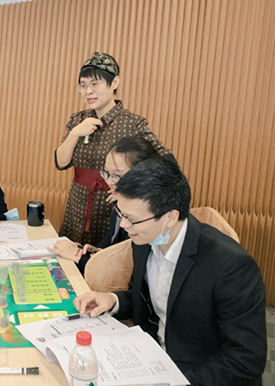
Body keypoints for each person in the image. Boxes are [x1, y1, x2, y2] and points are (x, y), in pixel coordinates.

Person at [74, 158, 266, 385]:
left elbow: (246, 359)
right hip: (152, 359)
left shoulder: (231, 266)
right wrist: (113, 300)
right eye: (121, 214)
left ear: (170, 217)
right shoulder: (145, 239)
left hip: (198, 374)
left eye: (132, 219)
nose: (124, 225)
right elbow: (149, 298)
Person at [55, 52, 170, 247]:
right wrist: (75, 133)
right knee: (71, 256)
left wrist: (127, 190)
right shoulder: (77, 120)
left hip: (114, 208)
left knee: (105, 258)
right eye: (83, 85)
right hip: (77, 203)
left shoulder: (133, 123)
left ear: (115, 82)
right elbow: (60, 162)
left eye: (94, 84)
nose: (88, 91)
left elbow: (165, 162)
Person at [49, 136, 160, 274]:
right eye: (106, 173)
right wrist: (98, 252)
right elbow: (111, 240)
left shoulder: (149, 215)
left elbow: (126, 271)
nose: (109, 182)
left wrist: (80, 258)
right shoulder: (120, 201)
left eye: (117, 176)